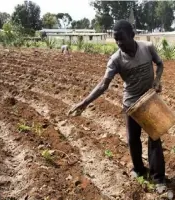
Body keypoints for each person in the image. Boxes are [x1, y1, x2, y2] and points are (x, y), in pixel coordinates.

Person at [68, 20, 167, 194]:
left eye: (122, 38)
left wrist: (157, 80)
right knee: (132, 140)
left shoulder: (147, 47)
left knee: (154, 138)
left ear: (132, 35)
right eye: (116, 39)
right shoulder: (115, 59)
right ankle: (139, 170)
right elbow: (103, 84)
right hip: (131, 105)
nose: (119, 43)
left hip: (150, 100)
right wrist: (84, 103)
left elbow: (159, 64)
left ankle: (159, 179)